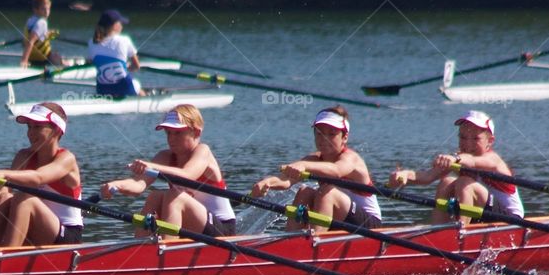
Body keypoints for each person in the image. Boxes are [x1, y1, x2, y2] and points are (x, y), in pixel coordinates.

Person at [101, 104, 235, 237]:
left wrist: (152, 167)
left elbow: (187, 175)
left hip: (222, 230)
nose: (171, 138)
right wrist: (117, 185)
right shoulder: (164, 157)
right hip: (195, 226)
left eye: (178, 133)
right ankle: (139, 248)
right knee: (155, 196)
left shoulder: (203, 151)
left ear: (196, 132)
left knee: (174, 196)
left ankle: (167, 249)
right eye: (168, 133)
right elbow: (139, 185)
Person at [0, 102, 84, 246]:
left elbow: (38, 178)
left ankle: (7, 258)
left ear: (56, 130)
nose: (31, 133)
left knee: (24, 198)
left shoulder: (66, 159)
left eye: (37, 127)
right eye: (29, 127)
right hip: (37, 229)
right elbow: (2, 191)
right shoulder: (23, 156)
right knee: (4, 198)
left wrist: (2, 174)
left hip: (67, 236)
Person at [250, 106, 381, 231]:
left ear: (344, 138)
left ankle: (314, 242)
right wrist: (267, 183)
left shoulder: (351, 159)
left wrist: (304, 165)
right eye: (319, 133)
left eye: (331, 134)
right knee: (304, 191)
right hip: (337, 221)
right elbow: (286, 181)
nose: (324, 139)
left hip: (368, 226)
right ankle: (291, 239)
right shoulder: (314, 159)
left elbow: (336, 170)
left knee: (327, 192)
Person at [388, 110, 524, 226]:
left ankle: (460, 234)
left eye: (476, 139)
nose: (468, 144)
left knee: (464, 182)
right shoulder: (459, 158)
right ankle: (438, 233)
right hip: (484, 215)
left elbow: (472, 162)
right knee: (446, 182)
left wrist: (455, 159)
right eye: (463, 137)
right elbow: (426, 177)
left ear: (490, 141)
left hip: (510, 220)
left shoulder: (493, 160)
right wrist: (405, 175)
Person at [87, 9, 144, 98]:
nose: (122, 26)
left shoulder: (91, 42)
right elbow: (136, 66)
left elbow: (91, 62)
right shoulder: (125, 40)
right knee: (137, 84)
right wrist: (126, 67)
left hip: (102, 89)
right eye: (121, 23)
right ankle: (144, 99)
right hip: (124, 86)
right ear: (115, 25)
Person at [20, 0, 64, 68]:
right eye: (43, 9)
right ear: (35, 10)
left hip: (33, 58)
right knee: (57, 57)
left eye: (48, 9)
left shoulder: (30, 20)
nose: (47, 12)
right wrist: (24, 61)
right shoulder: (42, 22)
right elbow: (31, 41)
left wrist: (47, 34)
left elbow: (33, 35)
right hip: (43, 58)